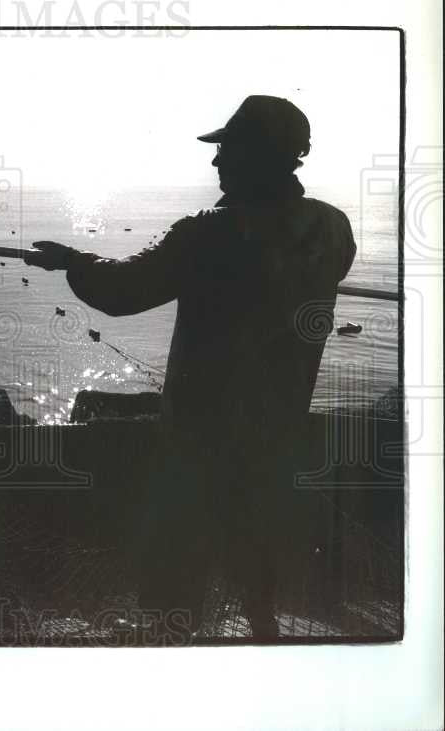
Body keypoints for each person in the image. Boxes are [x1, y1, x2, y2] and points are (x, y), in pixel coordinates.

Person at [26, 96, 356, 640]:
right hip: (280, 429)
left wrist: (72, 261)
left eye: (226, 149)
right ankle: (265, 639)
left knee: (174, 565)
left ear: (257, 155)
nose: (215, 163)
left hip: (200, 437)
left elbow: (122, 290)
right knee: (256, 552)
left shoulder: (206, 232)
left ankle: (172, 657)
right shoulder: (333, 227)